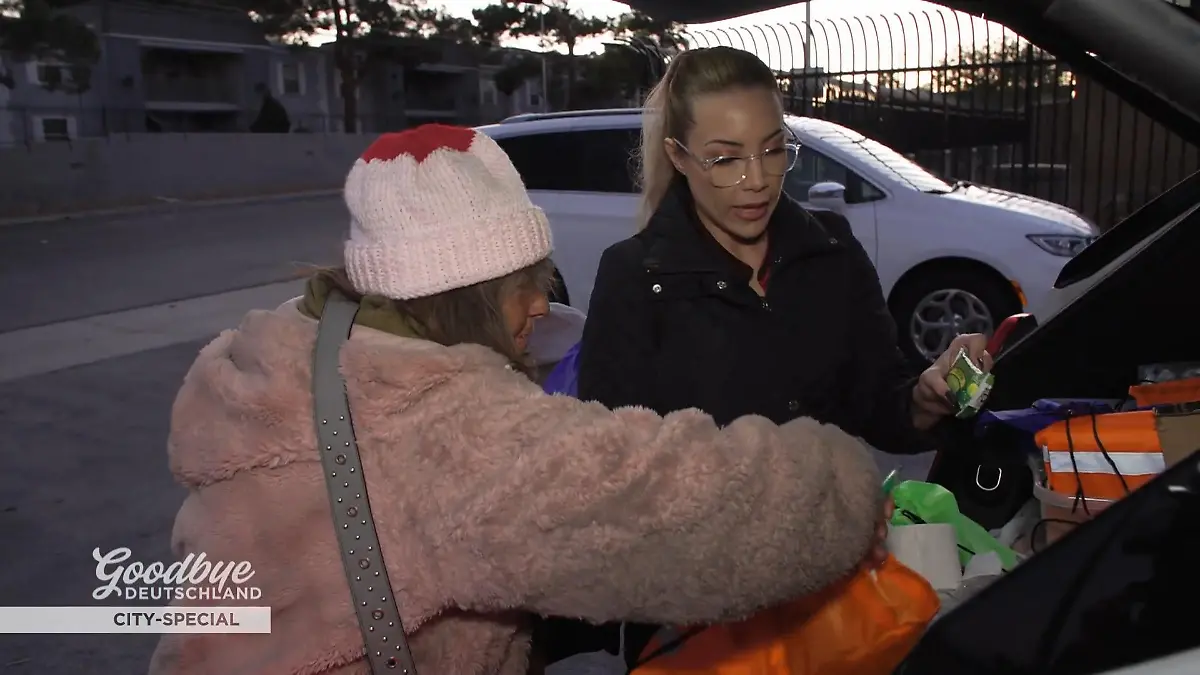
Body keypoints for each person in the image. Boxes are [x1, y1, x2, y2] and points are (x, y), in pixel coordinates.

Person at [148, 123, 893, 675]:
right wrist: (841, 480)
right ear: (463, 294)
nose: (542, 302)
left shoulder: (294, 345)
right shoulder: (440, 424)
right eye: (523, 284)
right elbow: (668, 505)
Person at [550, 46, 993, 667]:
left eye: (773, 148)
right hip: (705, 617)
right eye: (725, 159)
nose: (756, 179)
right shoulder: (635, 276)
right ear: (679, 158)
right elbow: (618, 467)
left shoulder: (832, 254)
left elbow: (880, 404)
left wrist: (925, 394)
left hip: (834, 600)